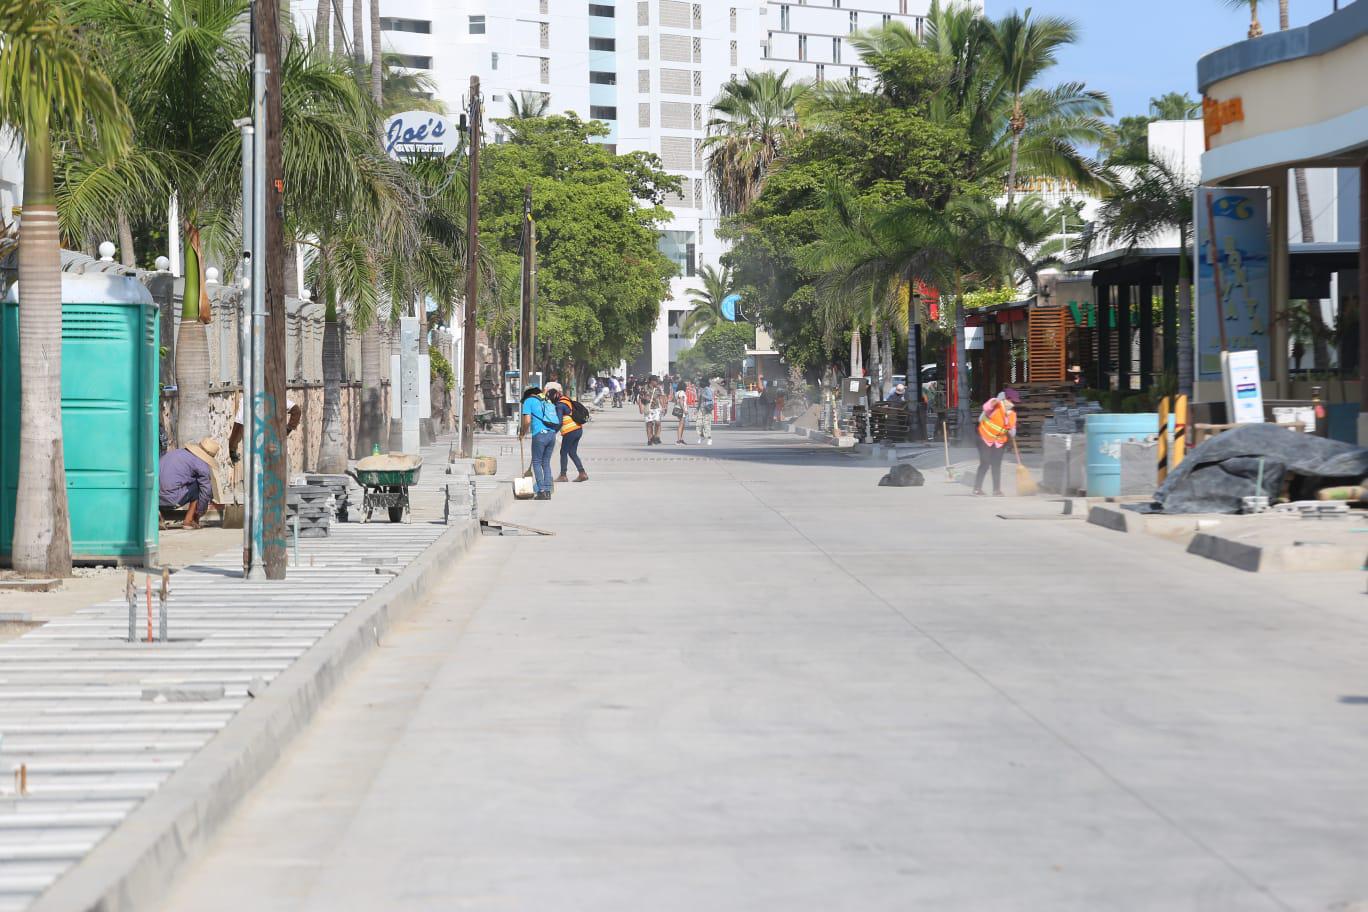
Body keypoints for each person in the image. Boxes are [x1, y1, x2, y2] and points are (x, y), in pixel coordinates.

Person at [159, 438, 220, 529]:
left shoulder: (177, 453)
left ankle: (157, 513)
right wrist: (200, 511)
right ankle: (189, 521)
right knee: (200, 486)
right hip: (172, 499)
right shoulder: (201, 464)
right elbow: (206, 491)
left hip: (155, 498)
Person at [973, 388, 1020, 496]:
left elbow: (1011, 428)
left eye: (1014, 402)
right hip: (984, 437)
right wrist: (998, 400)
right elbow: (986, 407)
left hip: (999, 441)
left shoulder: (1012, 414)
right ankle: (977, 488)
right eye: (1012, 401)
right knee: (985, 462)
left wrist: (1013, 430)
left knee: (996, 464)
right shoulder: (995, 404)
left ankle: (996, 490)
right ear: (1006, 399)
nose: (1013, 404)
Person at [520, 385, 560, 500]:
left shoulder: (528, 401)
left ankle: (541, 491)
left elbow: (527, 421)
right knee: (546, 462)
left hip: (539, 434)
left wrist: (522, 432)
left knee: (537, 462)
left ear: (527, 394)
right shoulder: (545, 400)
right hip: (551, 434)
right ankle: (548, 490)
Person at [550, 388, 589, 483]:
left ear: (554, 396)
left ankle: (563, 475)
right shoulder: (566, 400)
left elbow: (559, 423)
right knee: (572, 452)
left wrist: (552, 432)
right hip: (578, 429)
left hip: (570, 431)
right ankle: (582, 473)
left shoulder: (559, 405)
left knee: (563, 452)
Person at [696, 378, 715, 445]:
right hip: (701, 408)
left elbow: (710, 398)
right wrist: (697, 409)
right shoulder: (700, 389)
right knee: (699, 423)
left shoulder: (707, 389)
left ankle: (709, 438)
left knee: (706, 424)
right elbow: (699, 400)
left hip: (707, 408)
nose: (699, 384)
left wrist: (703, 395)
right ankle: (702, 436)